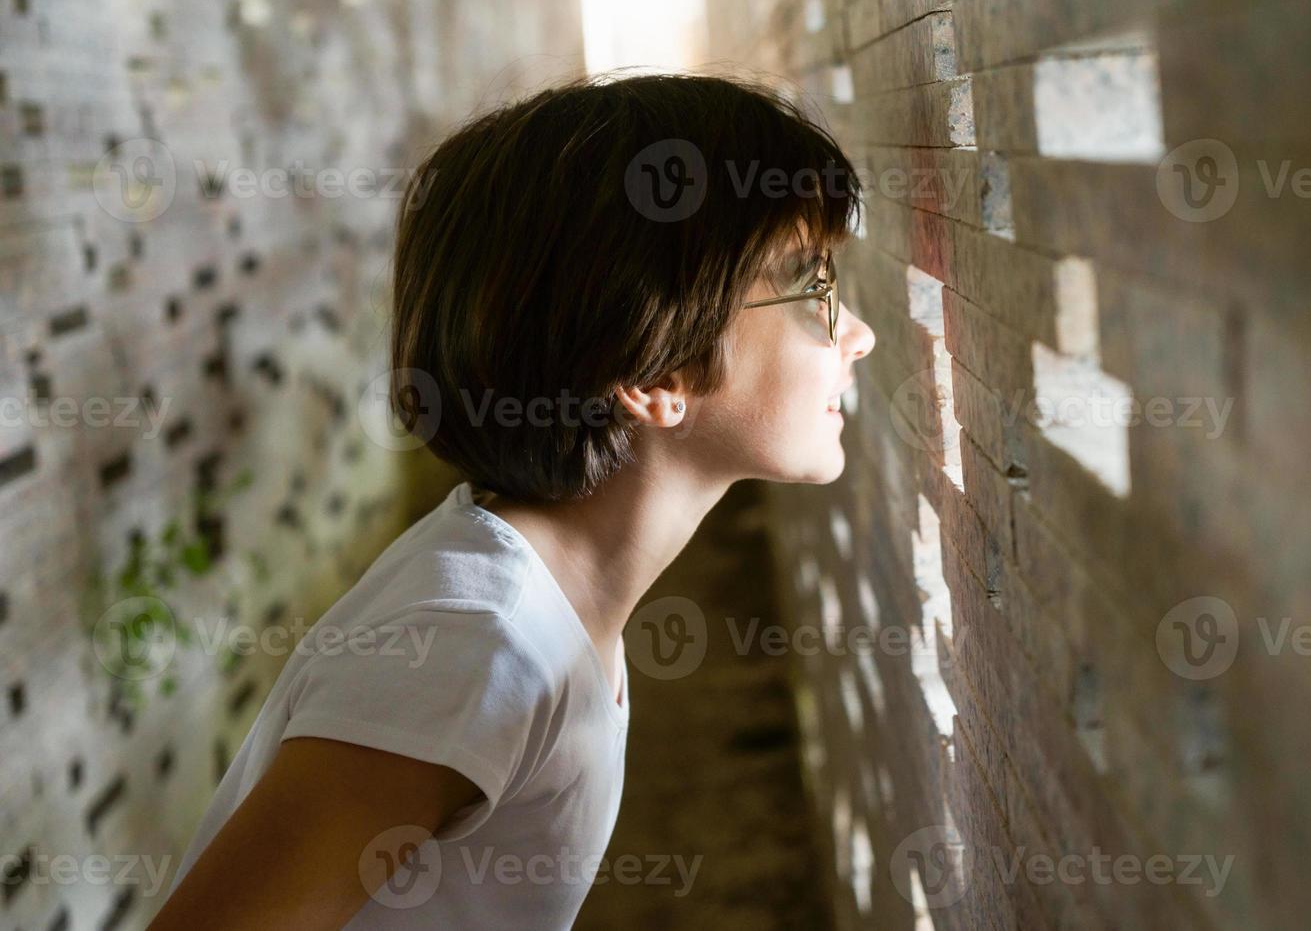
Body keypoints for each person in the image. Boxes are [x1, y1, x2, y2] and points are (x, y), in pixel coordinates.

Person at [151, 71, 876, 929]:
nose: (856, 335)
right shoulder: (474, 642)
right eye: (814, 291)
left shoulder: (541, 606)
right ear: (653, 372)